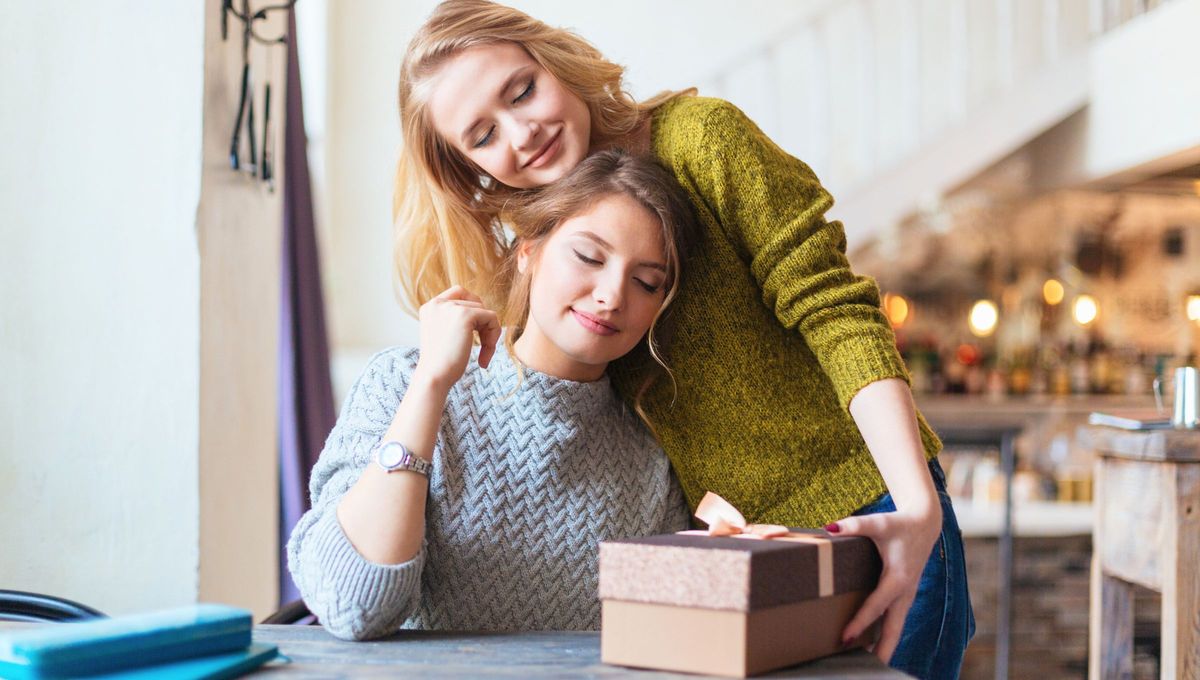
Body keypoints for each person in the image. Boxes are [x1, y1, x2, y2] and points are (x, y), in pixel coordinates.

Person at [390, 2, 974, 678]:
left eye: (522, 90)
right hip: (734, 550)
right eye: (484, 135)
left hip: (870, 514)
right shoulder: (544, 246)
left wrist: (916, 506)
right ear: (471, 171)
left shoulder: (701, 139)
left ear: (555, 61)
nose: (523, 133)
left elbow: (836, 311)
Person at [287, 150, 696, 641]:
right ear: (528, 250)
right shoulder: (403, 384)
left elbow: (666, 640)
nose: (612, 295)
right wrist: (432, 384)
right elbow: (354, 606)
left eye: (646, 282)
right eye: (589, 256)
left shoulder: (651, 449)